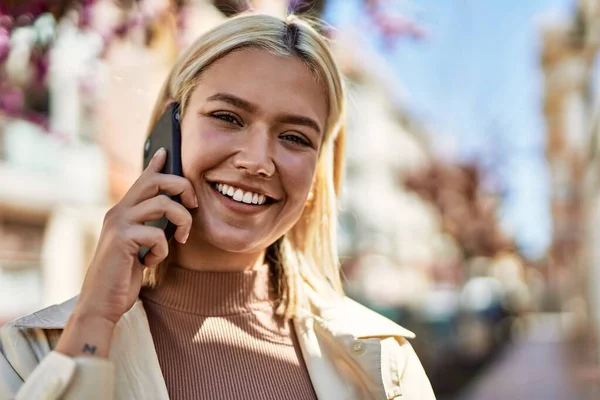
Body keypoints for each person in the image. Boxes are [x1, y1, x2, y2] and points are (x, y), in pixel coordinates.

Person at [0, 13, 435, 400]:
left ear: (315, 178)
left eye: (295, 138)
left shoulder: (384, 365)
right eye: (228, 117)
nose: (257, 161)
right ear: (169, 130)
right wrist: (93, 320)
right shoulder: (28, 354)